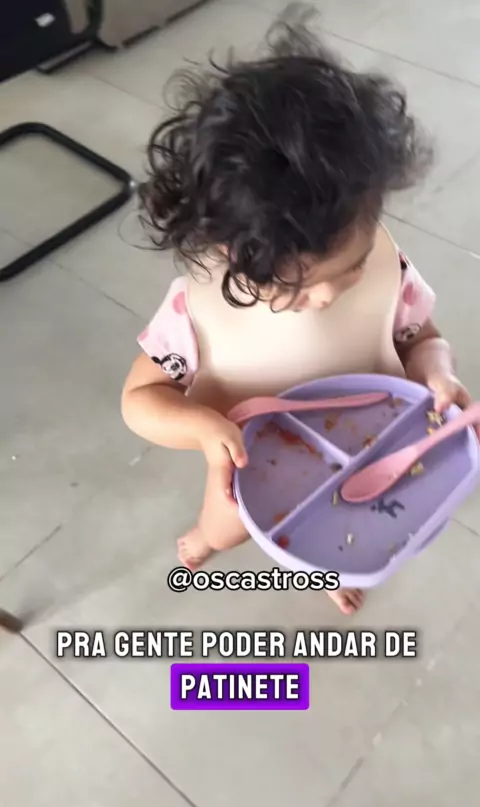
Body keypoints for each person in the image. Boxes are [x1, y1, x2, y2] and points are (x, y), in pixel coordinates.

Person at [121, 6, 473, 614]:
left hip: (369, 438)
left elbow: (420, 337)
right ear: (231, 252)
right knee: (227, 524)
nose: (332, 296)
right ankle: (206, 540)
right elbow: (140, 401)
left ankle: (328, 565)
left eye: (352, 266)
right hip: (254, 456)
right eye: (300, 288)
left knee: (344, 529)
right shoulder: (195, 310)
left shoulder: (384, 265)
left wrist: (437, 372)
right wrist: (204, 428)